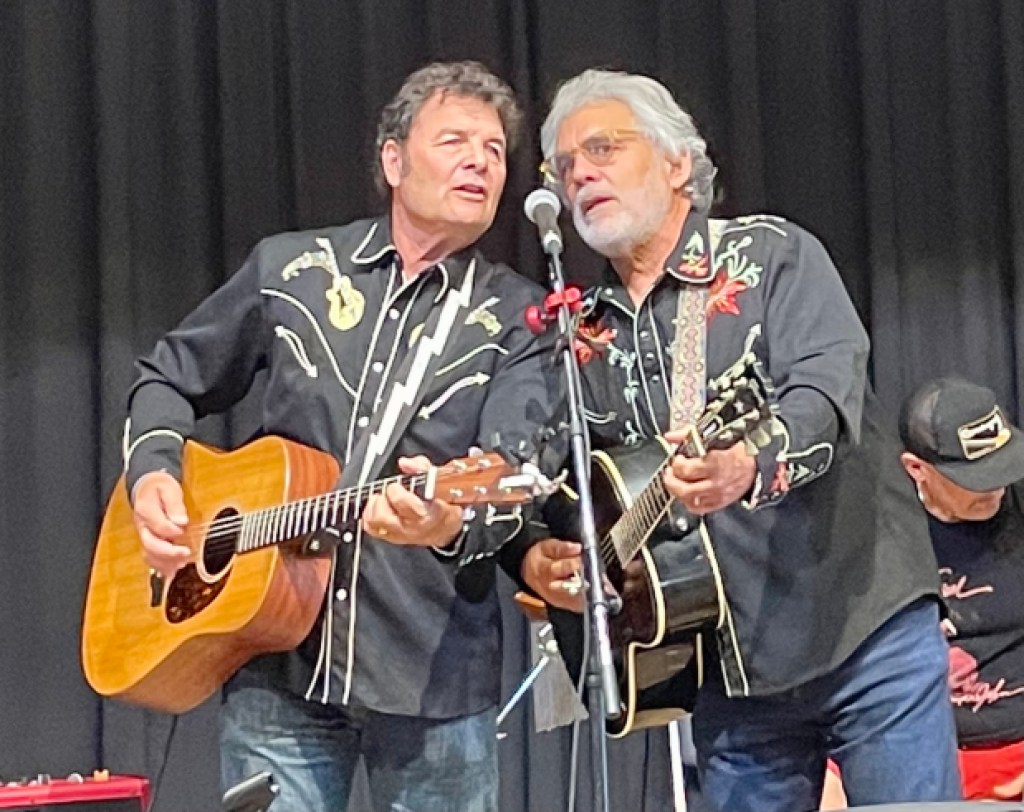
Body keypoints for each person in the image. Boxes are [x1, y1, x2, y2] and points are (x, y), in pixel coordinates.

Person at [516, 68, 961, 812]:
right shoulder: (580, 334)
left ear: (677, 163)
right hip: (726, 674)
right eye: (564, 166)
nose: (580, 173)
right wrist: (544, 555)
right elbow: (547, 484)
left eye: (603, 148)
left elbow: (826, 393)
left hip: (862, 633)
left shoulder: (772, 256)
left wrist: (748, 464)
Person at [124, 61, 558, 812]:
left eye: (494, 150)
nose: (480, 162)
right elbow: (168, 377)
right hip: (275, 666)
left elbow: (514, 474)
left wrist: (447, 522)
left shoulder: (520, 322)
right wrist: (155, 472)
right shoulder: (292, 270)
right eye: (454, 141)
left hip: (432, 684)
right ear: (393, 161)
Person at [899, 376, 1024, 801]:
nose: (995, 487)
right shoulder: (881, 533)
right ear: (916, 469)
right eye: (975, 477)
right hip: (921, 753)